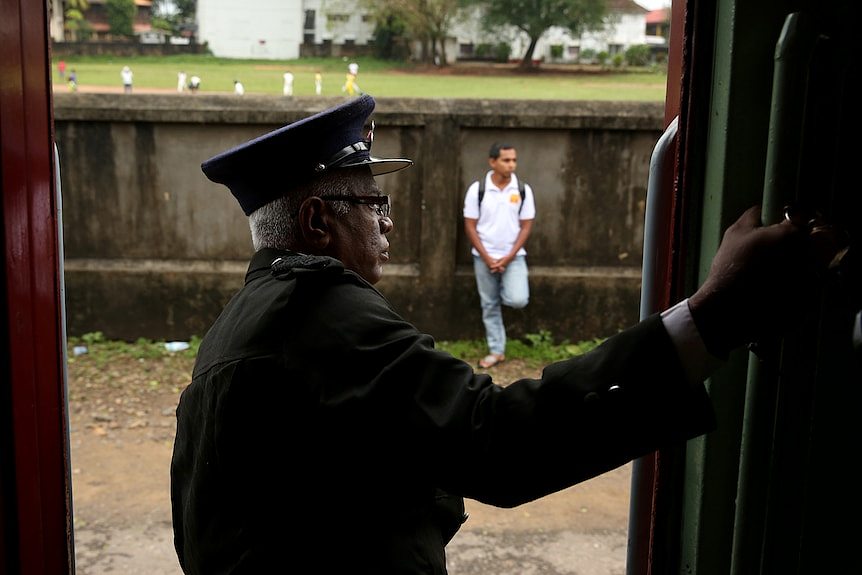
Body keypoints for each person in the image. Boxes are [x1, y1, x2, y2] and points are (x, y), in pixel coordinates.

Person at [170, 95, 822, 574]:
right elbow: (499, 440)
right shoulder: (319, 312)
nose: (389, 224)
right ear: (316, 220)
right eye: (375, 204)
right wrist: (712, 316)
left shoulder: (244, 322)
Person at [463, 142, 535, 368]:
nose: (511, 165)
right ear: (492, 161)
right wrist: (487, 257)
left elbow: (525, 226)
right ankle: (497, 351)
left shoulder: (522, 189)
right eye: (506, 160)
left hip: (513, 258)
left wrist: (506, 258)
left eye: (514, 160)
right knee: (489, 305)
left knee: (517, 299)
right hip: (483, 258)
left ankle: (504, 285)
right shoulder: (478, 189)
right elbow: (470, 226)